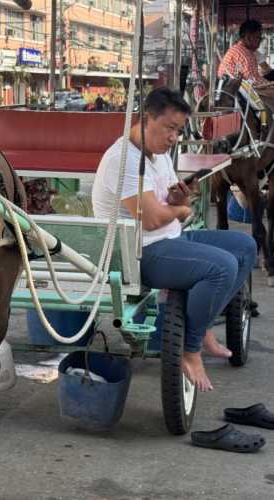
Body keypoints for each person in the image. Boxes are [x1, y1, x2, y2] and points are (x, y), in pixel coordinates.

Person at [92, 87, 257, 392]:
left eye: (178, 130)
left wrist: (179, 197)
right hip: (140, 253)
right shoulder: (125, 159)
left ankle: (202, 325)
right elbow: (153, 218)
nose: (174, 137)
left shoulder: (159, 155)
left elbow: (167, 204)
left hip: (169, 239)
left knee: (245, 247)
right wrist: (180, 209)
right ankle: (190, 348)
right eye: (169, 128)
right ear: (145, 119)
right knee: (221, 267)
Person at [218, 20, 274, 112]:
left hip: (239, 88)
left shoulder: (240, 50)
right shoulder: (244, 54)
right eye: (258, 37)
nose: (260, 41)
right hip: (238, 91)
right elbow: (254, 82)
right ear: (248, 37)